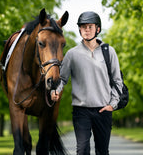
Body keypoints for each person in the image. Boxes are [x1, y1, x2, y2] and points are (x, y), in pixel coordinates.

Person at [51, 11, 122, 155]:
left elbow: (117, 81)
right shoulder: (72, 54)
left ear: (98, 29)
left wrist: (112, 105)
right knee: (82, 150)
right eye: (83, 27)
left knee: (102, 151)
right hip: (81, 111)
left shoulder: (109, 52)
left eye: (90, 26)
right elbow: (62, 79)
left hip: (103, 110)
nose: (87, 30)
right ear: (79, 30)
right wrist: (55, 91)